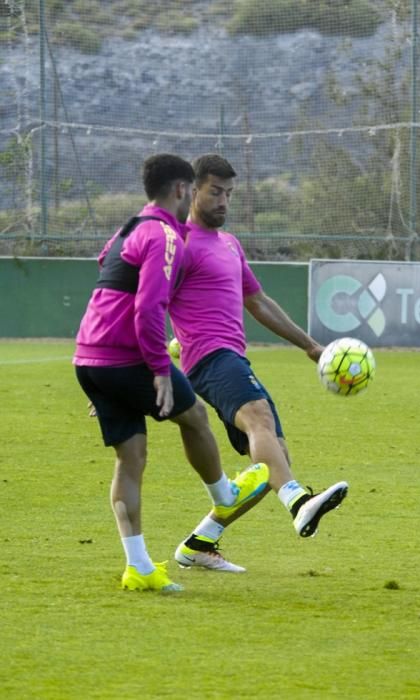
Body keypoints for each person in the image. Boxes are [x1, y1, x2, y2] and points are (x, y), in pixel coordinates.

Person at [73, 153, 269, 593]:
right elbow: (148, 308)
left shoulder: (130, 225)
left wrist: (103, 371)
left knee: (131, 457)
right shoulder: (165, 236)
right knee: (195, 415)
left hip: (90, 355)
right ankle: (225, 495)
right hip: (127, 357)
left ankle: (139, 567)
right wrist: (160, 369)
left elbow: (104, 264)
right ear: (183, 190)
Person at [169, 153, 348, 571]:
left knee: (272, 457)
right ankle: (299, 502)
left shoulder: (229, 244)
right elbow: (147, 299)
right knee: (258, 419)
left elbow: (258, 301)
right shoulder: (177, 243)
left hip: (232, 356)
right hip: (208, 357)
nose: (223, 202)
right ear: (194, 191)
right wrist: (132, 361)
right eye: (215, 192)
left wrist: (310, 346)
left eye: (229, 194)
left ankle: (200, 543)